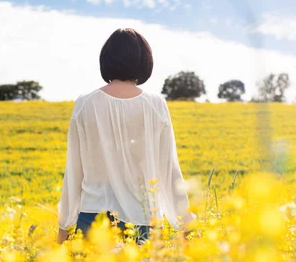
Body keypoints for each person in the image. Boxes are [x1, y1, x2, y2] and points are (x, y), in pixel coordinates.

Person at [56, 28, 196, 244]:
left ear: (106, 60)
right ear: (144, 61)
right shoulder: (155, 105)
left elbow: (74, 170)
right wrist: (185, 224)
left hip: (93, 220)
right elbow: (169, 169)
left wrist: (64, 226)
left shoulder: (84, 105)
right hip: (143, 219)